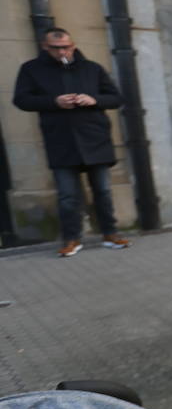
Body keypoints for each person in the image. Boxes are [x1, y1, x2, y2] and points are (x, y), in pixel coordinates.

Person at [11, 27, 132, 257]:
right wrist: (54, 102)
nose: (62, 52)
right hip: (61, 141)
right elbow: (21, 100)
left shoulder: (92, 68)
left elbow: (116, 98)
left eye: (66, 46)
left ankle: (110, 233)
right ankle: (71, 239)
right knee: (67, 195)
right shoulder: (31, 69)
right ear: (45, 47)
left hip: (95, 139)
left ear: (73, 45)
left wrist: (93, 99)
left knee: (103, 191)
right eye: (55, 48)